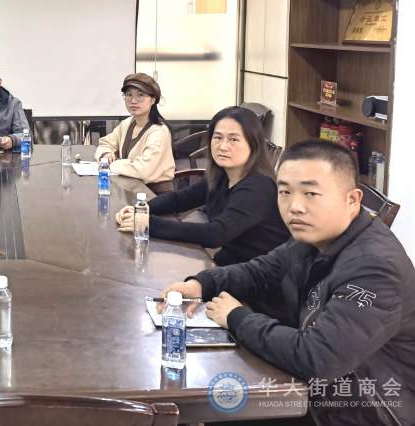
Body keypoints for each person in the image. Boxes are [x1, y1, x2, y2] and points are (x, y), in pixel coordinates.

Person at [160, 140, 415, 426]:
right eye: (285, 192)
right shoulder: (316, 235)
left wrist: (236, 317)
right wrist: (202, 284)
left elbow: (318, 358)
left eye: (311, 193)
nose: (295, 206)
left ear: (352, 200)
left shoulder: (376, 268)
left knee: (213, 404)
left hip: (364, 409)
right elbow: (261, 271)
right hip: (316, 391)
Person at [116, 106, 288, 265]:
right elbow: (181, 199)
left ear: (253, 144)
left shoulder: (258, 187)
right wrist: (142, 209)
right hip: (232, 263)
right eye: (218, 137)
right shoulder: (222, 175)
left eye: (233, 139)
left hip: (260, 274)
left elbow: (215, 234)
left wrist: (149, 224)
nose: (223, 146)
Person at [95, 73, 175, 194]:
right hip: (130, 188)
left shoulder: (159, 131)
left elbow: (143, 170)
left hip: (154, 194)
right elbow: (105, 143)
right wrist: (106, 154)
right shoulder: (128, 123)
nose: (133, 101)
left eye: (140, 95)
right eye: (129, 95)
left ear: (153, 100)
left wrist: (110, 165)